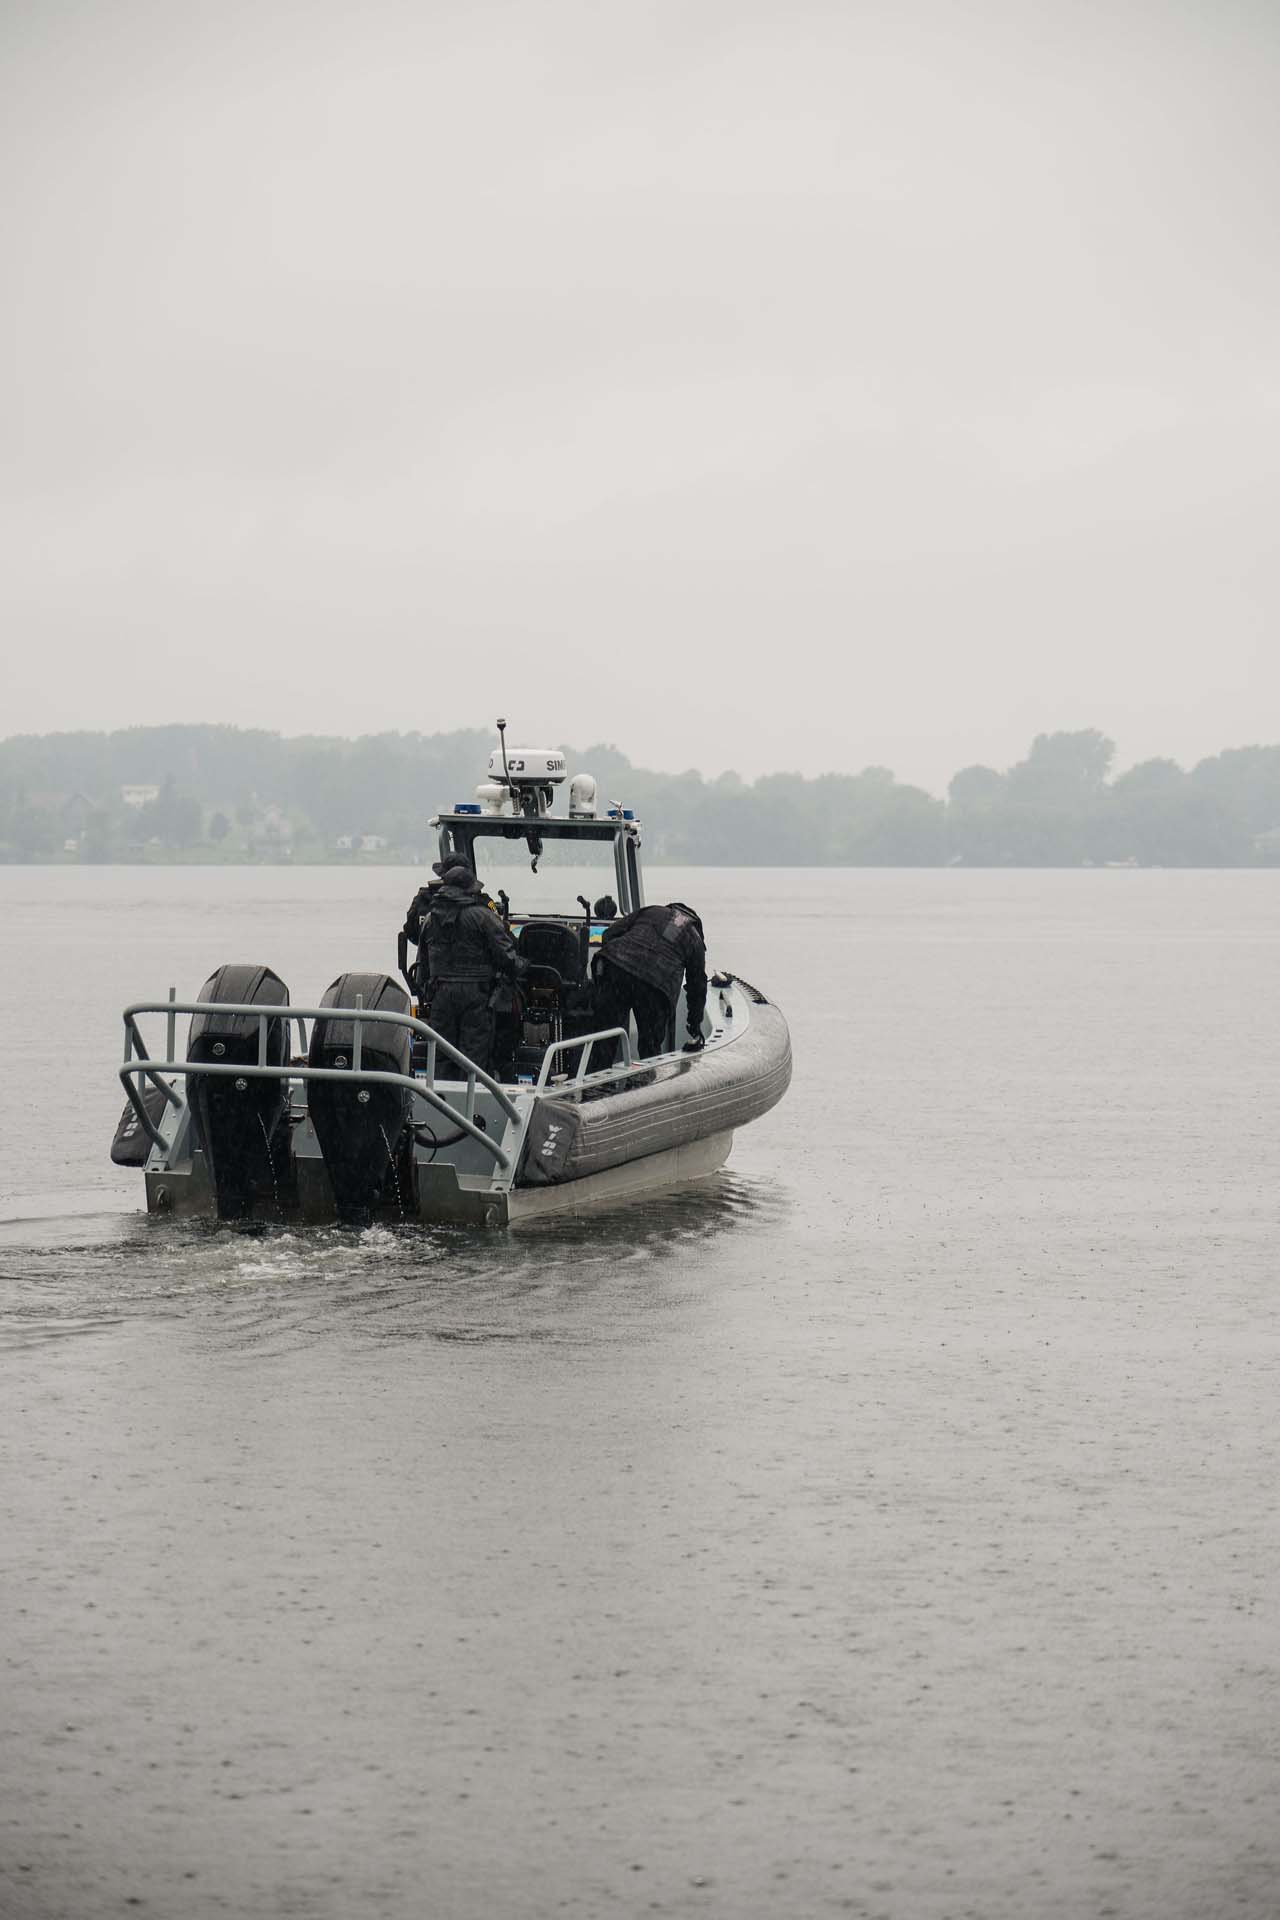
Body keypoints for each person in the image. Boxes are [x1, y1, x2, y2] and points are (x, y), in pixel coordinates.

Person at [422, 864, 526, 1074]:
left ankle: (439, 1098)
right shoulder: (483, 916)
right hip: (476, 994)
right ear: (470, 889)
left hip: (441, 993)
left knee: (441, 1053)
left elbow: (424, 961)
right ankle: (471, 1102)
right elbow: (506, 957)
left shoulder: (431, 918)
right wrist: (522, 966)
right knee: (474, 1054)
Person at [595, 900, 707, 1059]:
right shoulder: (695, 939)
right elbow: (697, 987)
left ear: (670, 908)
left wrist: (620, 963)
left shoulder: (651, 911)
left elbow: (609, 934)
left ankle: (599, 1080)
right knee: (650, 1045)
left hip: (615, 970)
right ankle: (647, 1078)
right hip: (655, 986)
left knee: (605, 1037)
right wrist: (694, 1025)